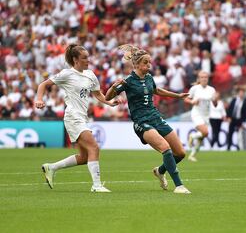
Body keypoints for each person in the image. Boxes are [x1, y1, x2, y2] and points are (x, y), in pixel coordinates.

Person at [105, 44, 191, 194]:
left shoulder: (150, 77)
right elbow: (107, 97)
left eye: (150, 62)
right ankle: (179, 185)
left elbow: (157, 90)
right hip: (141, 122)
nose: (149, 66)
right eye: (146, 63)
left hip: (156, 117)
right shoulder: (128, 81)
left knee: (181, 153)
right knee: (165, 148)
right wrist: (113, 87)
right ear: (137, 64)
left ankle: (160, 171)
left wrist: (177, 96)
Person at [35, 44, 119, 192]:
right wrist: (39, 99)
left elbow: (98, 94)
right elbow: (43, 85)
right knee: (94, 147)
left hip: (82, 117)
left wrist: (109, 102)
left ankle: (51, 167)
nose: (88, 60)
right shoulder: (67, 74)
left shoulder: (90, 75)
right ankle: (97, 185)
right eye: (84, 58)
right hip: (73, 117)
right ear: (75, 59)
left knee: (84, 157)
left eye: (88, 57)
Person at [185, 71, 216, 162]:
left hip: (206, 115)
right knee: (205, 132)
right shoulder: (194, 88)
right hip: (196, 114)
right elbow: (185, 99)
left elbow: (214, 103)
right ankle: (192, 136)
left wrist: (215, 100)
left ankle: (192, 155)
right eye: (202, 77)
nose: (204, 79)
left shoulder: (212, 90)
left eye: (206, 77)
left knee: (201, 137)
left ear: (208, 79)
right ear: (199, 79)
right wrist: (192, 102)